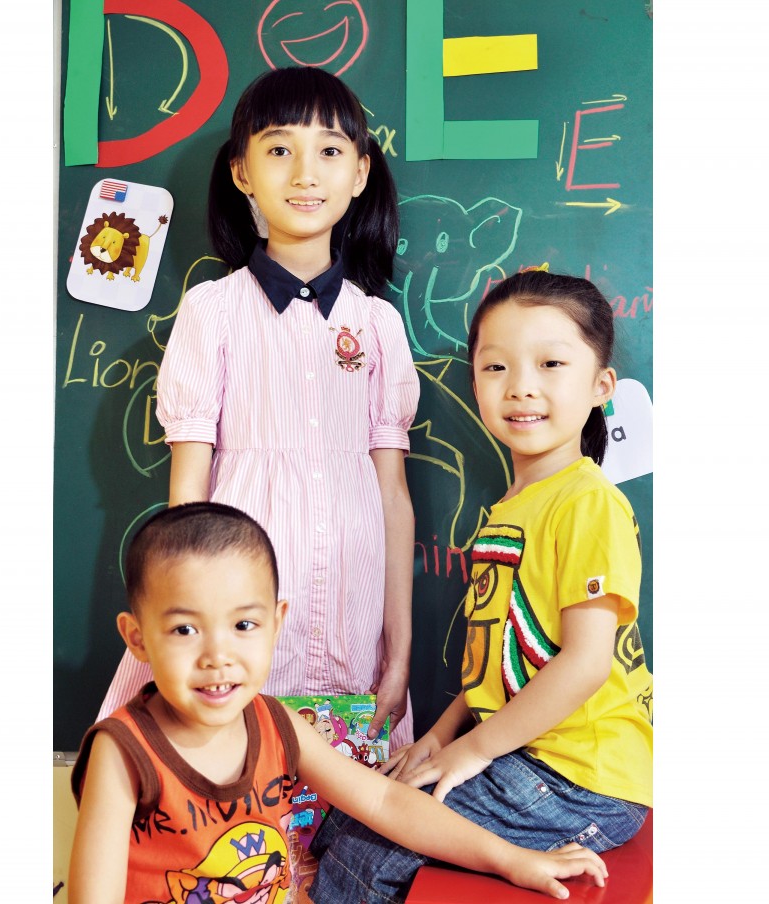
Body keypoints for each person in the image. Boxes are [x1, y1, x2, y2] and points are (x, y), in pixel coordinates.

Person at [96, 66, 419, 746]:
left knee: (342, 795)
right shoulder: (212, 311)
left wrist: (400, 650)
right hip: (238, 600)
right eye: (279, 149)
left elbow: (392, 495)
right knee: (237, 780)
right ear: (242, 172)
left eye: (329, 151)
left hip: (354, 607)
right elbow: (187, 494)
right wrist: (188, 616)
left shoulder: (377, 324)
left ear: (360, 173)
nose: (305, 173)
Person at [307, 271, 653, 904]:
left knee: (364, 858)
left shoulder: (587, 502)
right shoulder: (511, 508)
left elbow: (585, 663)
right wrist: (439, 739)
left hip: (583, 777)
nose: (521, 386)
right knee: (341, 826)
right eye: (496, 367)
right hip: (522, 755)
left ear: (601, 387)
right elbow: (495, 668)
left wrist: (473, 752)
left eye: (551, 364)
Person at [68, 502, 608, 904]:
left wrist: (513, 860)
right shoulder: (123, 752)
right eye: (185, 629)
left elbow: (387, 802)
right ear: (137, 638)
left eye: (244, 625)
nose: (218, 656)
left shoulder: (274, 723)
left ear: (276, 623)